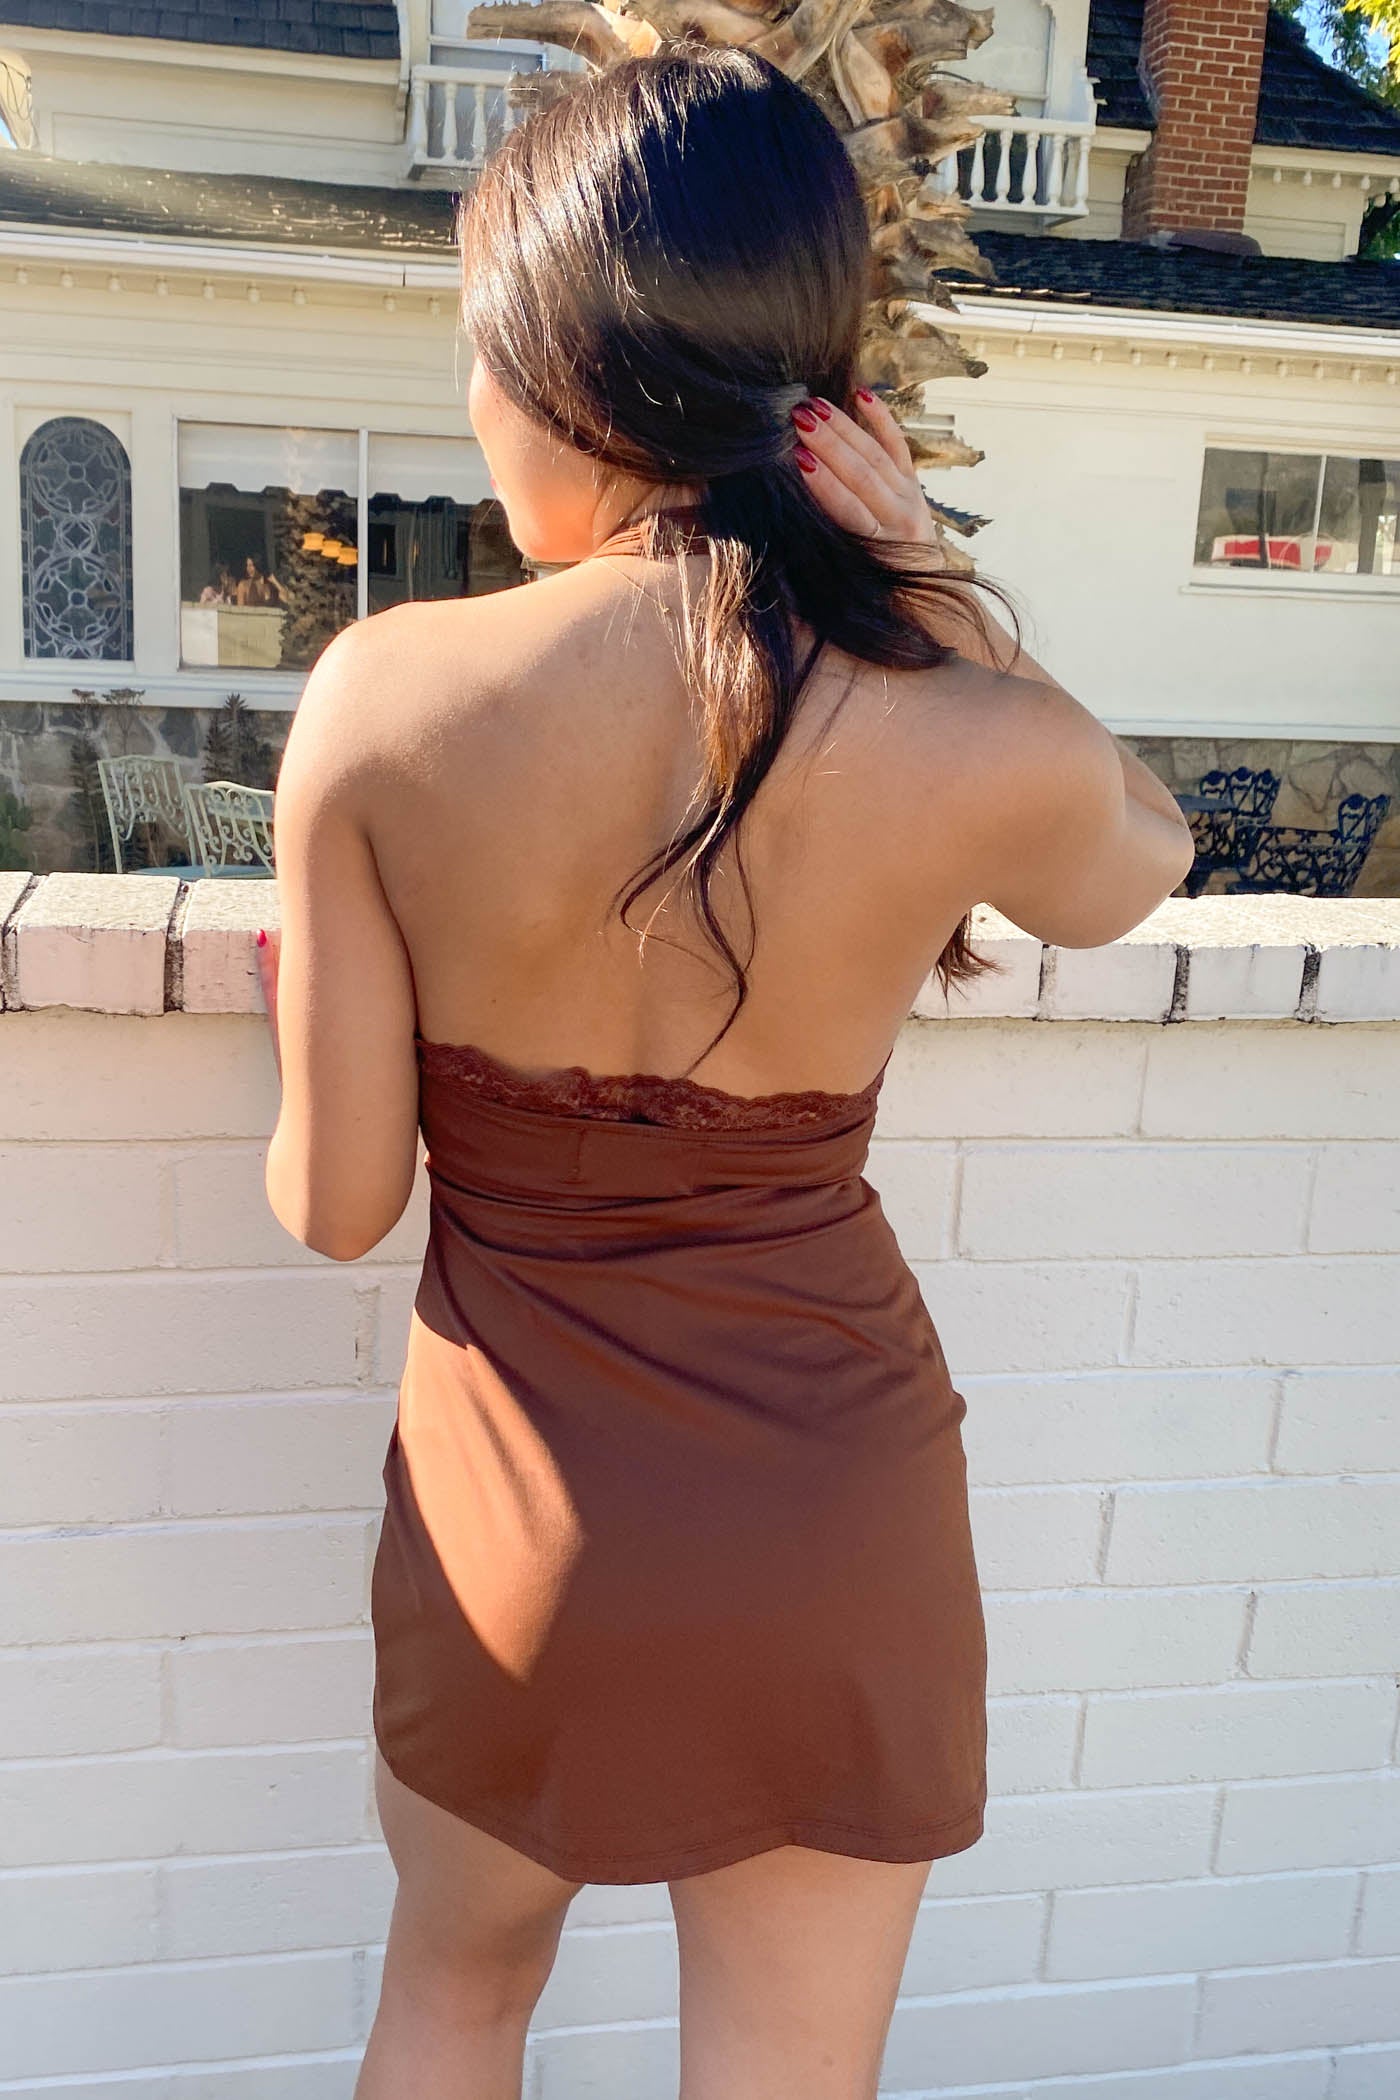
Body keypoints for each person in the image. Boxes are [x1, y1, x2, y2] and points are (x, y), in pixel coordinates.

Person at [254, 49, 1196, 2100]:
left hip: (519, 1531)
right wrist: (937, 592)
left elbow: (336, 1205)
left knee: (451, 2002)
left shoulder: (383, 699)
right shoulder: (956, 730)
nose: (475, 402)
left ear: (564, 367)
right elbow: (1143, 861)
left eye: (482, 350)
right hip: (830, 1522)